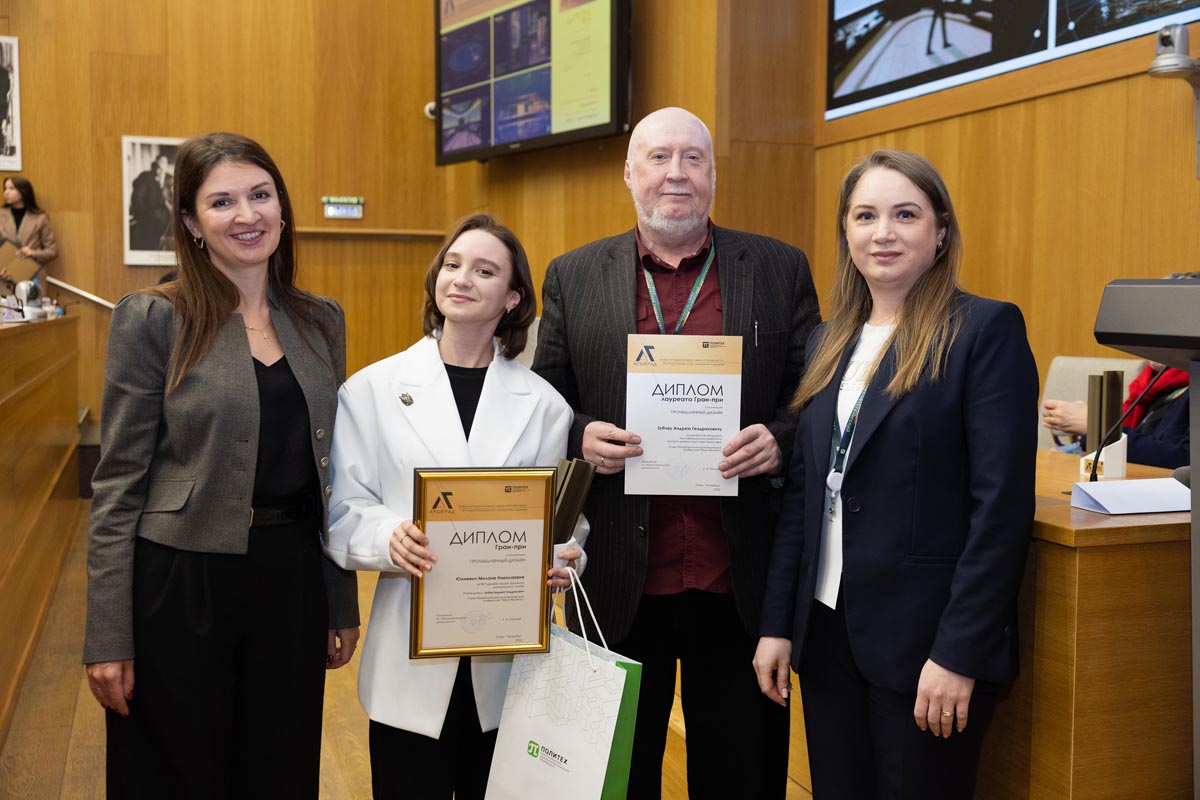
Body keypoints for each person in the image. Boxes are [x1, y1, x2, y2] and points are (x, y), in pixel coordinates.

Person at [532, 106, 821, 798]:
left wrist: (780, 440)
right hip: (616, 579)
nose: (676, 173)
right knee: (617, 779)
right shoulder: (573, 274)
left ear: (714, 175)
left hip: (739, 576)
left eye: (693, 158)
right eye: (658, 157)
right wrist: (578, 433)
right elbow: (544, 395)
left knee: (742, 777)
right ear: (628, 173)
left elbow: (812, 391)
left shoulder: (779, 268)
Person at [753, 149, 1038, 799]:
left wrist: (958, 652)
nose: (883, 232)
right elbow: (805, 495)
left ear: (940, 231)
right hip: (828, 636)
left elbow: (999, 510)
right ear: (846, 233)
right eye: (866, 216)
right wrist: (778, 623)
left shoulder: (982, 330)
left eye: (905, 215)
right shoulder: (828, 341)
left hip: (926, 647)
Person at [84, 132, 360, 798]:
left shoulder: (321, 321)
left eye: (260, 195)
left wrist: (339, 598)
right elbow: (117, 486)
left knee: (280, 768)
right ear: (190, 222)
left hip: (291, 580)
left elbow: (333, 474)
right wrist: (107, 636)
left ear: (282, 208)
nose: (247, 214)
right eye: (222, 201)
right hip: (182, 583)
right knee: (182, 773)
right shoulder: (153, 318)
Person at [325, 213, 586, 800]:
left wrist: (564, 558)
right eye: (453, 264)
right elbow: (343, 508)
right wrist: (389, 536)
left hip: (506, 659)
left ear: (513, 298)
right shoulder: (371, 390)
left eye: (485, 271)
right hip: (410, 659)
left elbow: (562, 523)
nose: (462, 278)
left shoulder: (545, 406)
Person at [1042, 273, 1197, 470]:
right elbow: (1145, 442)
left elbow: (1186, 461)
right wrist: (1079, 451)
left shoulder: (1189, 384)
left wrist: (1097, 426)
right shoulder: (1151, 384)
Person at [0, 176, 58, 285]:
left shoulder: (40, 218)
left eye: (11, 188)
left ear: (24, 191)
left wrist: (33, 253)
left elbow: (52, 251)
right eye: (5, 188)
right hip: (3, 279)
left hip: (31, 280)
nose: (6, 192)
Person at [129, 152, 171, 250]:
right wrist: (143, 217)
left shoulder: (171, 178)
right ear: (154, 164)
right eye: (159, 163)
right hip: (149, 221)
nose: (161, 167)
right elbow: (137, 198)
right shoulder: (145, 178)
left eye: (164, 163)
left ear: (167, 165)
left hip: (168, 219)